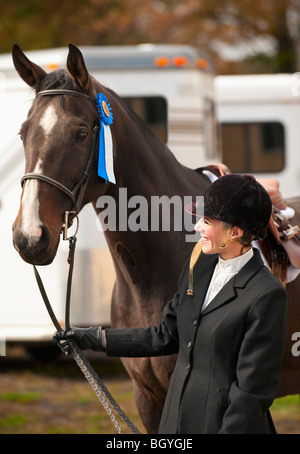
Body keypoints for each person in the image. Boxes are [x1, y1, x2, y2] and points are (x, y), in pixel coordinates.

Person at [53, 174, 288, 434]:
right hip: (175, 423)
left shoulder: (267, 294)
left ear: (235, 232)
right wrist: (94, 338)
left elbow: (251, 394)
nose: (197, 227)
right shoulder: (199, 264)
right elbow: (165, 335)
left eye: (207, 221)